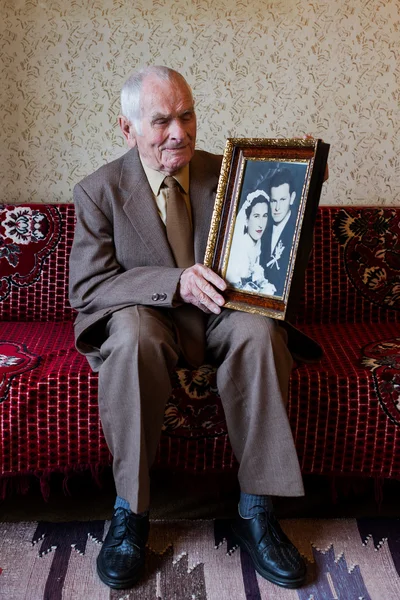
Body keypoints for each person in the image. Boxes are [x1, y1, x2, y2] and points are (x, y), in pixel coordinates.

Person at [69, 65, 310, 591]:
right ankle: (130, 513)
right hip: (150, 322)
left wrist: (302, 185)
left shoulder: (230, 172)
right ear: (127, 128)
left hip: (221, 318)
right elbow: (87, 290)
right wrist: (172, 283)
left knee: (261, 332)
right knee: (130, 335)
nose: (179, 131)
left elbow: (272, 245)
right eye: (161, 121)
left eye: (187, 114)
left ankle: (256, 512)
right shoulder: (99, 191)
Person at [225, 189, 276, 295]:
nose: (261, 224)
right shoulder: (241, 246)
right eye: (256, 216)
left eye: (265, 216)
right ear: (246, 220)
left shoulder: (257, 244)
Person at [261, 167, 299, 297]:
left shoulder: (298, 229)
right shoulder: (262, 228)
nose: (277, 208)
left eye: (282, 200)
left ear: (292, 198)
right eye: (273, 201)